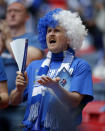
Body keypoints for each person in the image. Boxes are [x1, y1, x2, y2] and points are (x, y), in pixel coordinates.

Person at [10, 8, 93, 131]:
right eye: (48, 31)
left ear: (69, 37)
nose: (51, 34)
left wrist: (56, 88)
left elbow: (75, 102)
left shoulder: (80, 66)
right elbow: (14, 101)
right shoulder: (34, 66)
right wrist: (19, 89)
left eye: (57, 30)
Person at [0, 1, 44, 131]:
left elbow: (28, 60)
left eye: (17, 11)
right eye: (9, 11)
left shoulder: (33, 39)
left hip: (20, 106)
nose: (12, 14)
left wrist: (8, 40)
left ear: (27, 17)